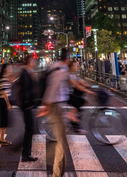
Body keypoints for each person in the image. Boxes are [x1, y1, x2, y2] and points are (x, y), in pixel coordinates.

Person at [39, 48, 72, 177]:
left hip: (57, 106)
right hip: (55, 107)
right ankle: (56, 173)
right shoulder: (61, 69)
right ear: (67, 57)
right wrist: (46, 104)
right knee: (62, 143)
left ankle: (57, 171)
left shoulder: (57, 67)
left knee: (61, 141)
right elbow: (52, 88)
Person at [17, 56, 38, 162]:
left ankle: (25, 152)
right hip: (26, 105)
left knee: (30, 128)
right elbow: (25, 89)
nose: (34, 62)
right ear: (29, 61)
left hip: (27, 104)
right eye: (33, 60)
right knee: (30, 128)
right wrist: (27, 103)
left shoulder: (27, 71)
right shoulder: (25, 72)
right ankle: (24, 152)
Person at [0, 63, 13, 145]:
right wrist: (8, 103)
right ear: (5, 69)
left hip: (4, 100)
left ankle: (2, 138)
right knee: (4, 119)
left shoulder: (5, 78)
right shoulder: (3, 78)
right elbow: (3, 92)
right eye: (9, 67)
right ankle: (1, 139)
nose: (11, 69)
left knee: (5, 119)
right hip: (3, 101)